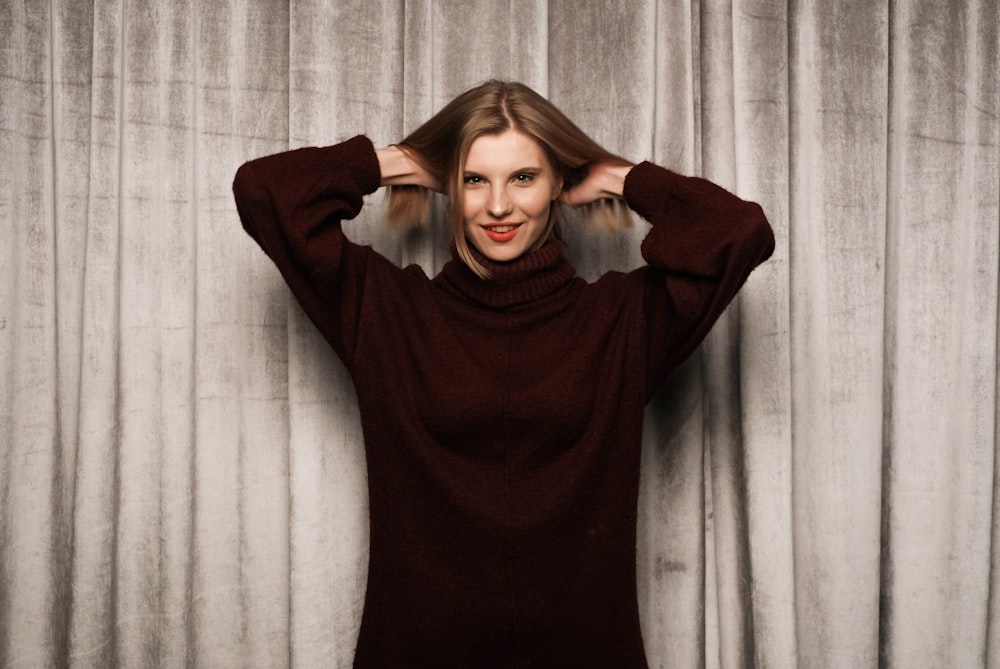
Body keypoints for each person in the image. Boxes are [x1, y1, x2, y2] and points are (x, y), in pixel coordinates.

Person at [233, 80, 774, 669]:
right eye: (473, 179)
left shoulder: (620, 322)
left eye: (523, 177)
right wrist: (403, 160)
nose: (497, 206)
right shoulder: (386, 312)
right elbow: (266, 192)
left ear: (555, 185)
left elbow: (737, 232)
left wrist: (619, 176)